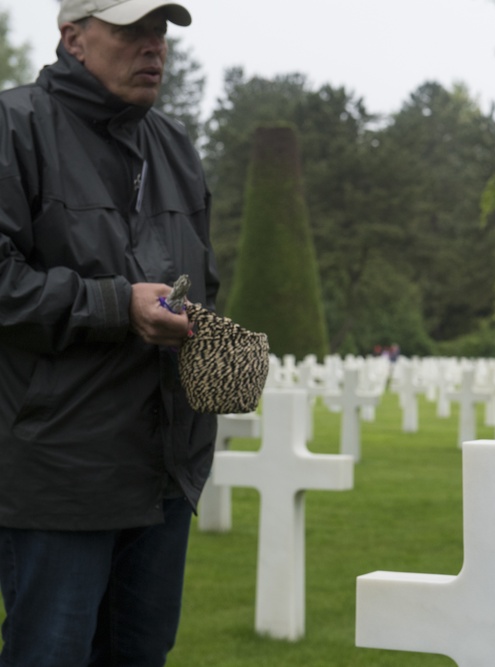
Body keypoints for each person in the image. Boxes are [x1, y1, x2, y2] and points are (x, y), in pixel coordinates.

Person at [0, 1, 218, 664]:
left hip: (161, 471)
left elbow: (201, 276)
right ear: (73, 38)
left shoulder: (174, 146)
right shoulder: (14, 126)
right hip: (61, 471)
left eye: (160, 31)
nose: (153, 46)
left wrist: (202, 328)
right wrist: (117, 305)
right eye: (130, 31)